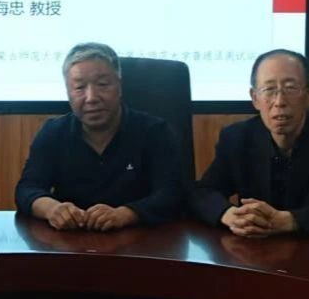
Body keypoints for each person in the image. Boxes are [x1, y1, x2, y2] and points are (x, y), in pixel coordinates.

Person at [191, 49, 309, 236]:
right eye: (269, 90)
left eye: (290, 88)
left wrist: (292, 221)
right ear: (255, 98)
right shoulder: (236, 138)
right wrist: (228, 214)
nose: (279, 101)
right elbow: (202, 192)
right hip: (252, 248)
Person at [15, 42, 183, 231]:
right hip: (71, 238)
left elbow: (172, 193)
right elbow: (27, 189)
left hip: (142, 239)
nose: (92, 97)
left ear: (119, 86)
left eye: (102, 85)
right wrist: (51, 209)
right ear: (68, 93)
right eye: (79, 87)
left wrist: (125, 214)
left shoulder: (155, 132)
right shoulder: (53, 132)